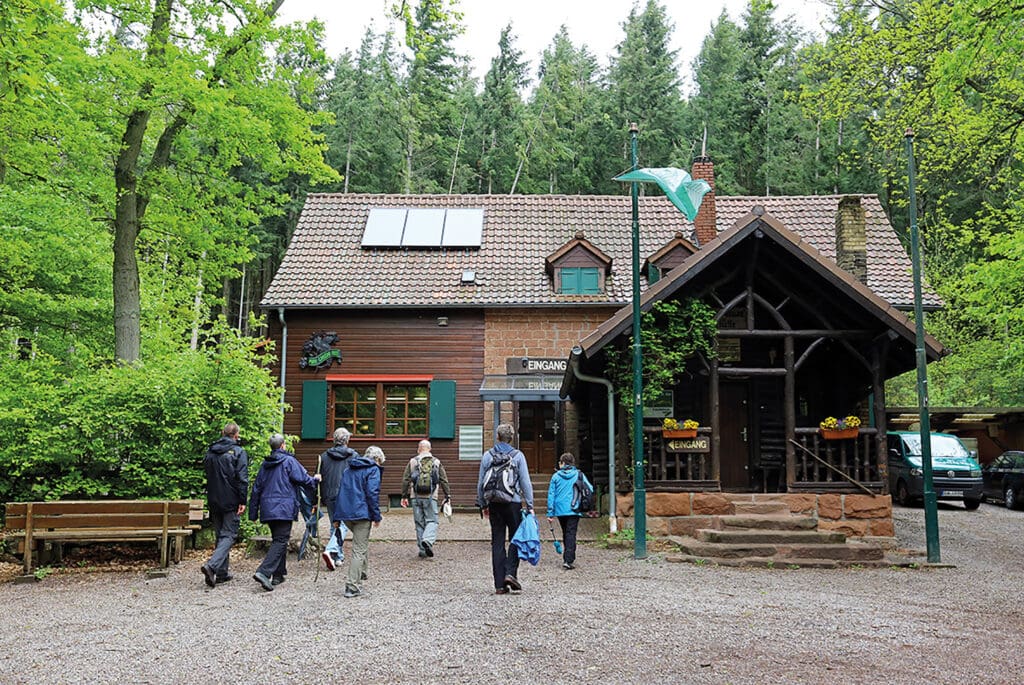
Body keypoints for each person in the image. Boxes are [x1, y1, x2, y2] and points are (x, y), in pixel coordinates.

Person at [248, 434, 321, 591]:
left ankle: (278, 575)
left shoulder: (265, 465)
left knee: (277, 539)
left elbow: (256, 489)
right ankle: (263, 572)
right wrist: (315, 480)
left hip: (268, 508)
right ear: (283, 446)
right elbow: (303, 479)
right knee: (281, 540)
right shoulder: (289, 461)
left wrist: (253, 513)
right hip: (283, 507)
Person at [476, 423, 534, 595]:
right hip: (513, 502)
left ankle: (499, 585)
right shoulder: (518, 456)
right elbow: (525, 482)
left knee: (498, 541)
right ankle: (510, 573)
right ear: (512, 438)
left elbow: (481, 482)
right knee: (516, 538)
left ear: (497, 437)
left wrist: (482, 504)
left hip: (494, 502)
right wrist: (530, 505)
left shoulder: (488, 455)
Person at [201, 422, 249, 588]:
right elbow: (242, 479)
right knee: (228, 535)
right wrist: (243, 500)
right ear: (236, 435)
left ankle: (221, 573)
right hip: (231, 499)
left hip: (214, 498)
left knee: (220, 534)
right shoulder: (238, 452)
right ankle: (212, 566)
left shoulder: (210, 452)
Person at [334, 445, 385, 598]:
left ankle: (362, 573)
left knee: (361, 545)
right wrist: (376, 516)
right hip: (362, 514)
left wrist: (337, 517)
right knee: (359, 549)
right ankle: (352, 586)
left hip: (346, 514)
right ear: (377, 459)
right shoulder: (373, 469)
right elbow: (372, 493)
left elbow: (340, 491)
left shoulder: (349, 469)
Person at [400, 439, 451, 558]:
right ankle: (428, 540)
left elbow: (406, 479)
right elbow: (443, 480)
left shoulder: (413, 462)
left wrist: (404, 496)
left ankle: (422, 551)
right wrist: (447, 495)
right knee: (432, 520)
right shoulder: (436, 462)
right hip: (431, 496)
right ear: (430, 449)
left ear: (419, 448)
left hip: (415, 496)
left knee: (419, 523)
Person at [319, 428, 358, 571]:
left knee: (334, 524)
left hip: (329, 495)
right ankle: (330, 550)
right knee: (343, 524)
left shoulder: (324, 456)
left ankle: (337, 557)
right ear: (347, 440)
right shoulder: (353, 456)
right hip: (346, 495)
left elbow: (319, 477)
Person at [547, 452, 592, 570]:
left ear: (562, 463)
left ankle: (567, 557)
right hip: (574, 509)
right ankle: (569, 559)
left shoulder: (555, 477)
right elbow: (590, 488)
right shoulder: (579, 475)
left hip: (560, 510)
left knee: (565, 532)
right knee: (571, 533)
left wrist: (550, 512)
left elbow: (551, 495)